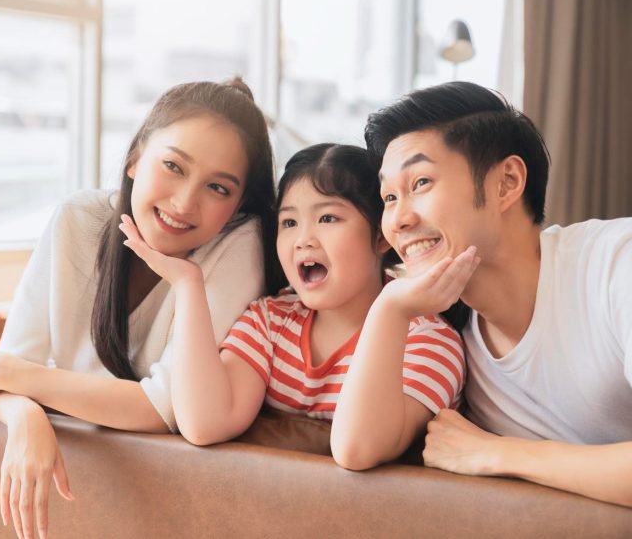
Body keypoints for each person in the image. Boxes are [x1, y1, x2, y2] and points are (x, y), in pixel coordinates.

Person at [0, 78, 284, 539]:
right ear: (135, 157)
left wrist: (21, 379)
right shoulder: (78, 220)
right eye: (173, 166)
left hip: (169, 507)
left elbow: (167, 408)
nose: (185, 202)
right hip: (80, 498)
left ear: (239, 205)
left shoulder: (237, 246)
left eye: (219, 188)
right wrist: (23, 415)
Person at [121, 143, 475, 470]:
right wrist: (188, 285)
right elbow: (205, 424)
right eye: (289, 222)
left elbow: (357, 450)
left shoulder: (429, 340)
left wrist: (390, 310)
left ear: (381, 235)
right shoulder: (271, 321)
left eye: (328, 219)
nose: (303, 239)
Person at [366, 81, 632, 507]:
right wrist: (388, 308)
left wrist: (498, 452)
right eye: (389, 196)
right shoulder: (445, 338)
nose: (397, 219)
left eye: (420, 183)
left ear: (507, 183)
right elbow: (357, 454)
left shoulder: (616, 265)